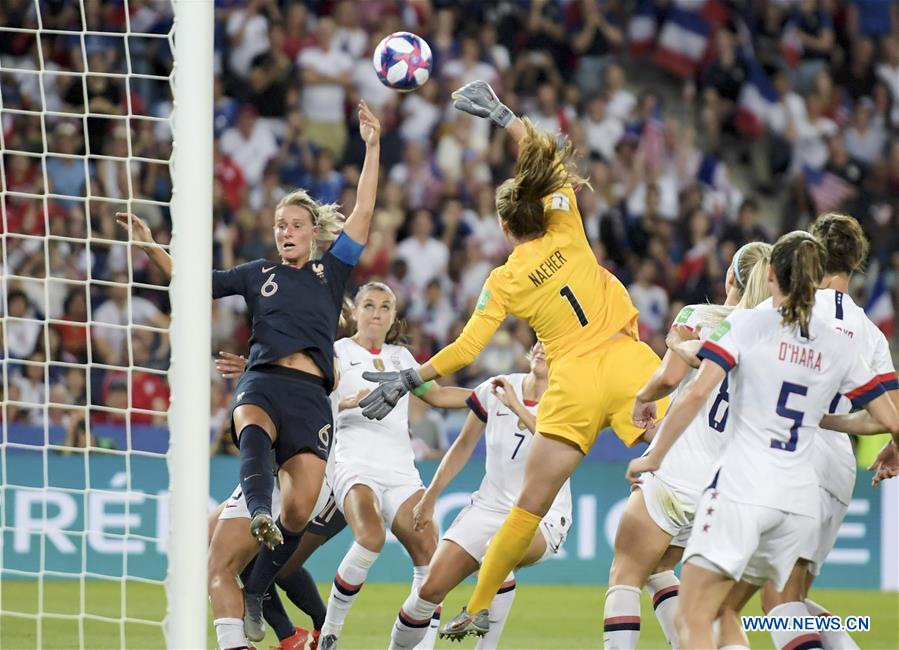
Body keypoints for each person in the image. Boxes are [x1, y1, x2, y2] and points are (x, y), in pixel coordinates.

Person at [358, 81, 669, 639]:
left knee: (527, 506)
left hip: (571, 384)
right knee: (681, 449)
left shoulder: (503, 281)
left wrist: (411, 375)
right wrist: (505, 116)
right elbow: (546, 156)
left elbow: (466, 350)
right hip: (626, 363)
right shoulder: (567, 225)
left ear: (504, 228)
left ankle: (478, 603)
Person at [117, 100, 381, 645]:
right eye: (279, 224)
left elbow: (364, 213)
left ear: (314, 233)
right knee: (251, 424)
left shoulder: (332, 274)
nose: (286, 231)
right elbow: (195, 281)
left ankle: (262, 582)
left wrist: (372, 147)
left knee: (302, 506)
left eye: (296, 225)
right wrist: (150, 246)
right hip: (262, 380)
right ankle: (259, 513)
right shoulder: (255, 272)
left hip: (311, 397)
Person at [625, 231, 899, 649]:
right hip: (800, 500)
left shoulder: (750, 323)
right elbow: (886, 419)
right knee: (763, 607)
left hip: (745, 489)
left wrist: (655, 456)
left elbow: (698, 391)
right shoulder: (840, 343)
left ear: (771, 274)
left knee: (695, 614)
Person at [602, 242, 772, 649]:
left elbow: (669, 377)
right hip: (727, 489)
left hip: (676, 472)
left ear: (730, 277)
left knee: (625, 575)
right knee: (673, 577)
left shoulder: (699, 317)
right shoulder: (772, 340)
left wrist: (643, 399)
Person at [757, 214, 899, 650]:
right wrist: (892, 444)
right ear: (856, 263)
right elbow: (886, 412)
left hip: (791, 452)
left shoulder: (791, 304)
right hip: (838, 464)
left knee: (776, 599)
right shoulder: (868, 330)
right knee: (794, 597)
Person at [388, 341, 572, 650]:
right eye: (540, 340)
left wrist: (518, 407)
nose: (543, 347)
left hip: (543, 517)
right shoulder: (497, 388)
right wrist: (431, 496)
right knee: (428, 591)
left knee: (498, 553)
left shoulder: (570, 402)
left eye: (553, 345)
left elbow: (555, 449)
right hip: (487, 508)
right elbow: (462, 446)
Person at [318, 282, 471, 650]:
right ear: (354, 311)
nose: (376, 313)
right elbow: (311, 405)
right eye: (369, 305)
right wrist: (346, 403)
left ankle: (420, 644)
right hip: (354, 464)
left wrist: (487, 395)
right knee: (370, 537)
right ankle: (330, 632)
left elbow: (434, 395)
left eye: (385, 307)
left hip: (400, 471)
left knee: (429, 555)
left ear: (392, 316)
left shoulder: (402, 359)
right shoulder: (336, 353)